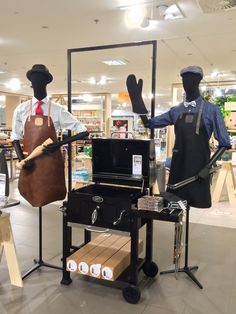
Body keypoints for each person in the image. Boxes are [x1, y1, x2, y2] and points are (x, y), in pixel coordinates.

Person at [127, 66, 231, 208]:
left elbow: (224, 143)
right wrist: (138, 104)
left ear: (199, 82)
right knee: (176, 207)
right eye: (184, 80)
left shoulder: (211, 110)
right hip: (179, 168)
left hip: (199, 171)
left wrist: (208, 167)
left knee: (194, 202)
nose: (187, 84)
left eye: (191, 80)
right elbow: (150, 124)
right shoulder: (176, 111)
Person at [11, 64, 88, 207]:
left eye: (40, 79)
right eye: (34, 80)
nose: (37, 83)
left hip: (50, 162)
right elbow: (15, 138)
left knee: (49, 190)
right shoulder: (21, 109)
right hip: (29, 163)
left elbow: (83, 131)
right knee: (30, 191)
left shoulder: (58, 110)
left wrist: (57, 144)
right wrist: (23, 160)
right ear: (31, 84)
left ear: (47, 82)